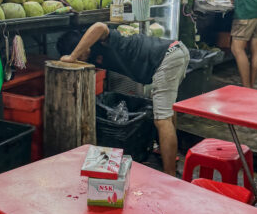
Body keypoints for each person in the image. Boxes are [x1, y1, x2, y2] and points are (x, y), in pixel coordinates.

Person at [57, 25, 189, 176]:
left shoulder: (105, 40)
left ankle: (170, 174)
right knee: (167, 110)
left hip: (168, 56)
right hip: (175, 52)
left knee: (161, 120)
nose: (81, 57)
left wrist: (72, 56)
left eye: (80, 52)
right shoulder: (95, 55)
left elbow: (99, 27)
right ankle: (168, 153)